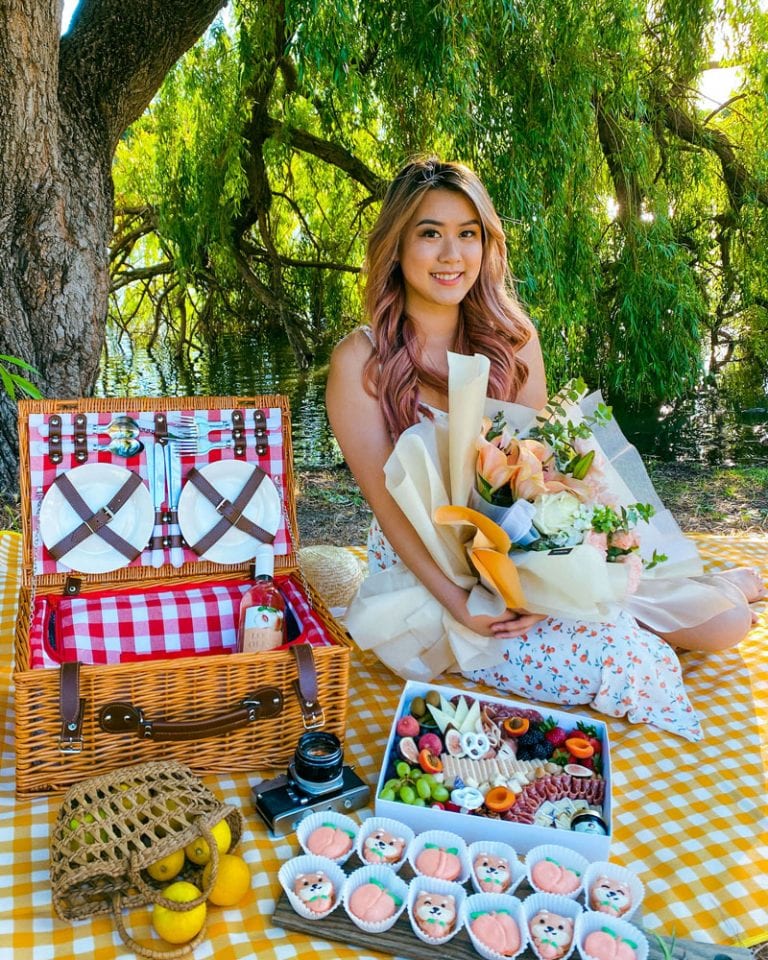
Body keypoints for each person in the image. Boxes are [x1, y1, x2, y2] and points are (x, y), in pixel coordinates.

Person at [326, 156, 763, 733]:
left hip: (518, 546)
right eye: (430, 234)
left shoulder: (512, 337)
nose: (452, 255)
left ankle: (709, 589)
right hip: (425, 571)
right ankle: (642, 621)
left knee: (725, 625)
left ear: (487, 244)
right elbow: (390, 509)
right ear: (396, 246)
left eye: (468, 234)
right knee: (630, 661)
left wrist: (540, 577)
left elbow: (540, 471)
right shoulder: (359, 363)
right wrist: (466, 604)